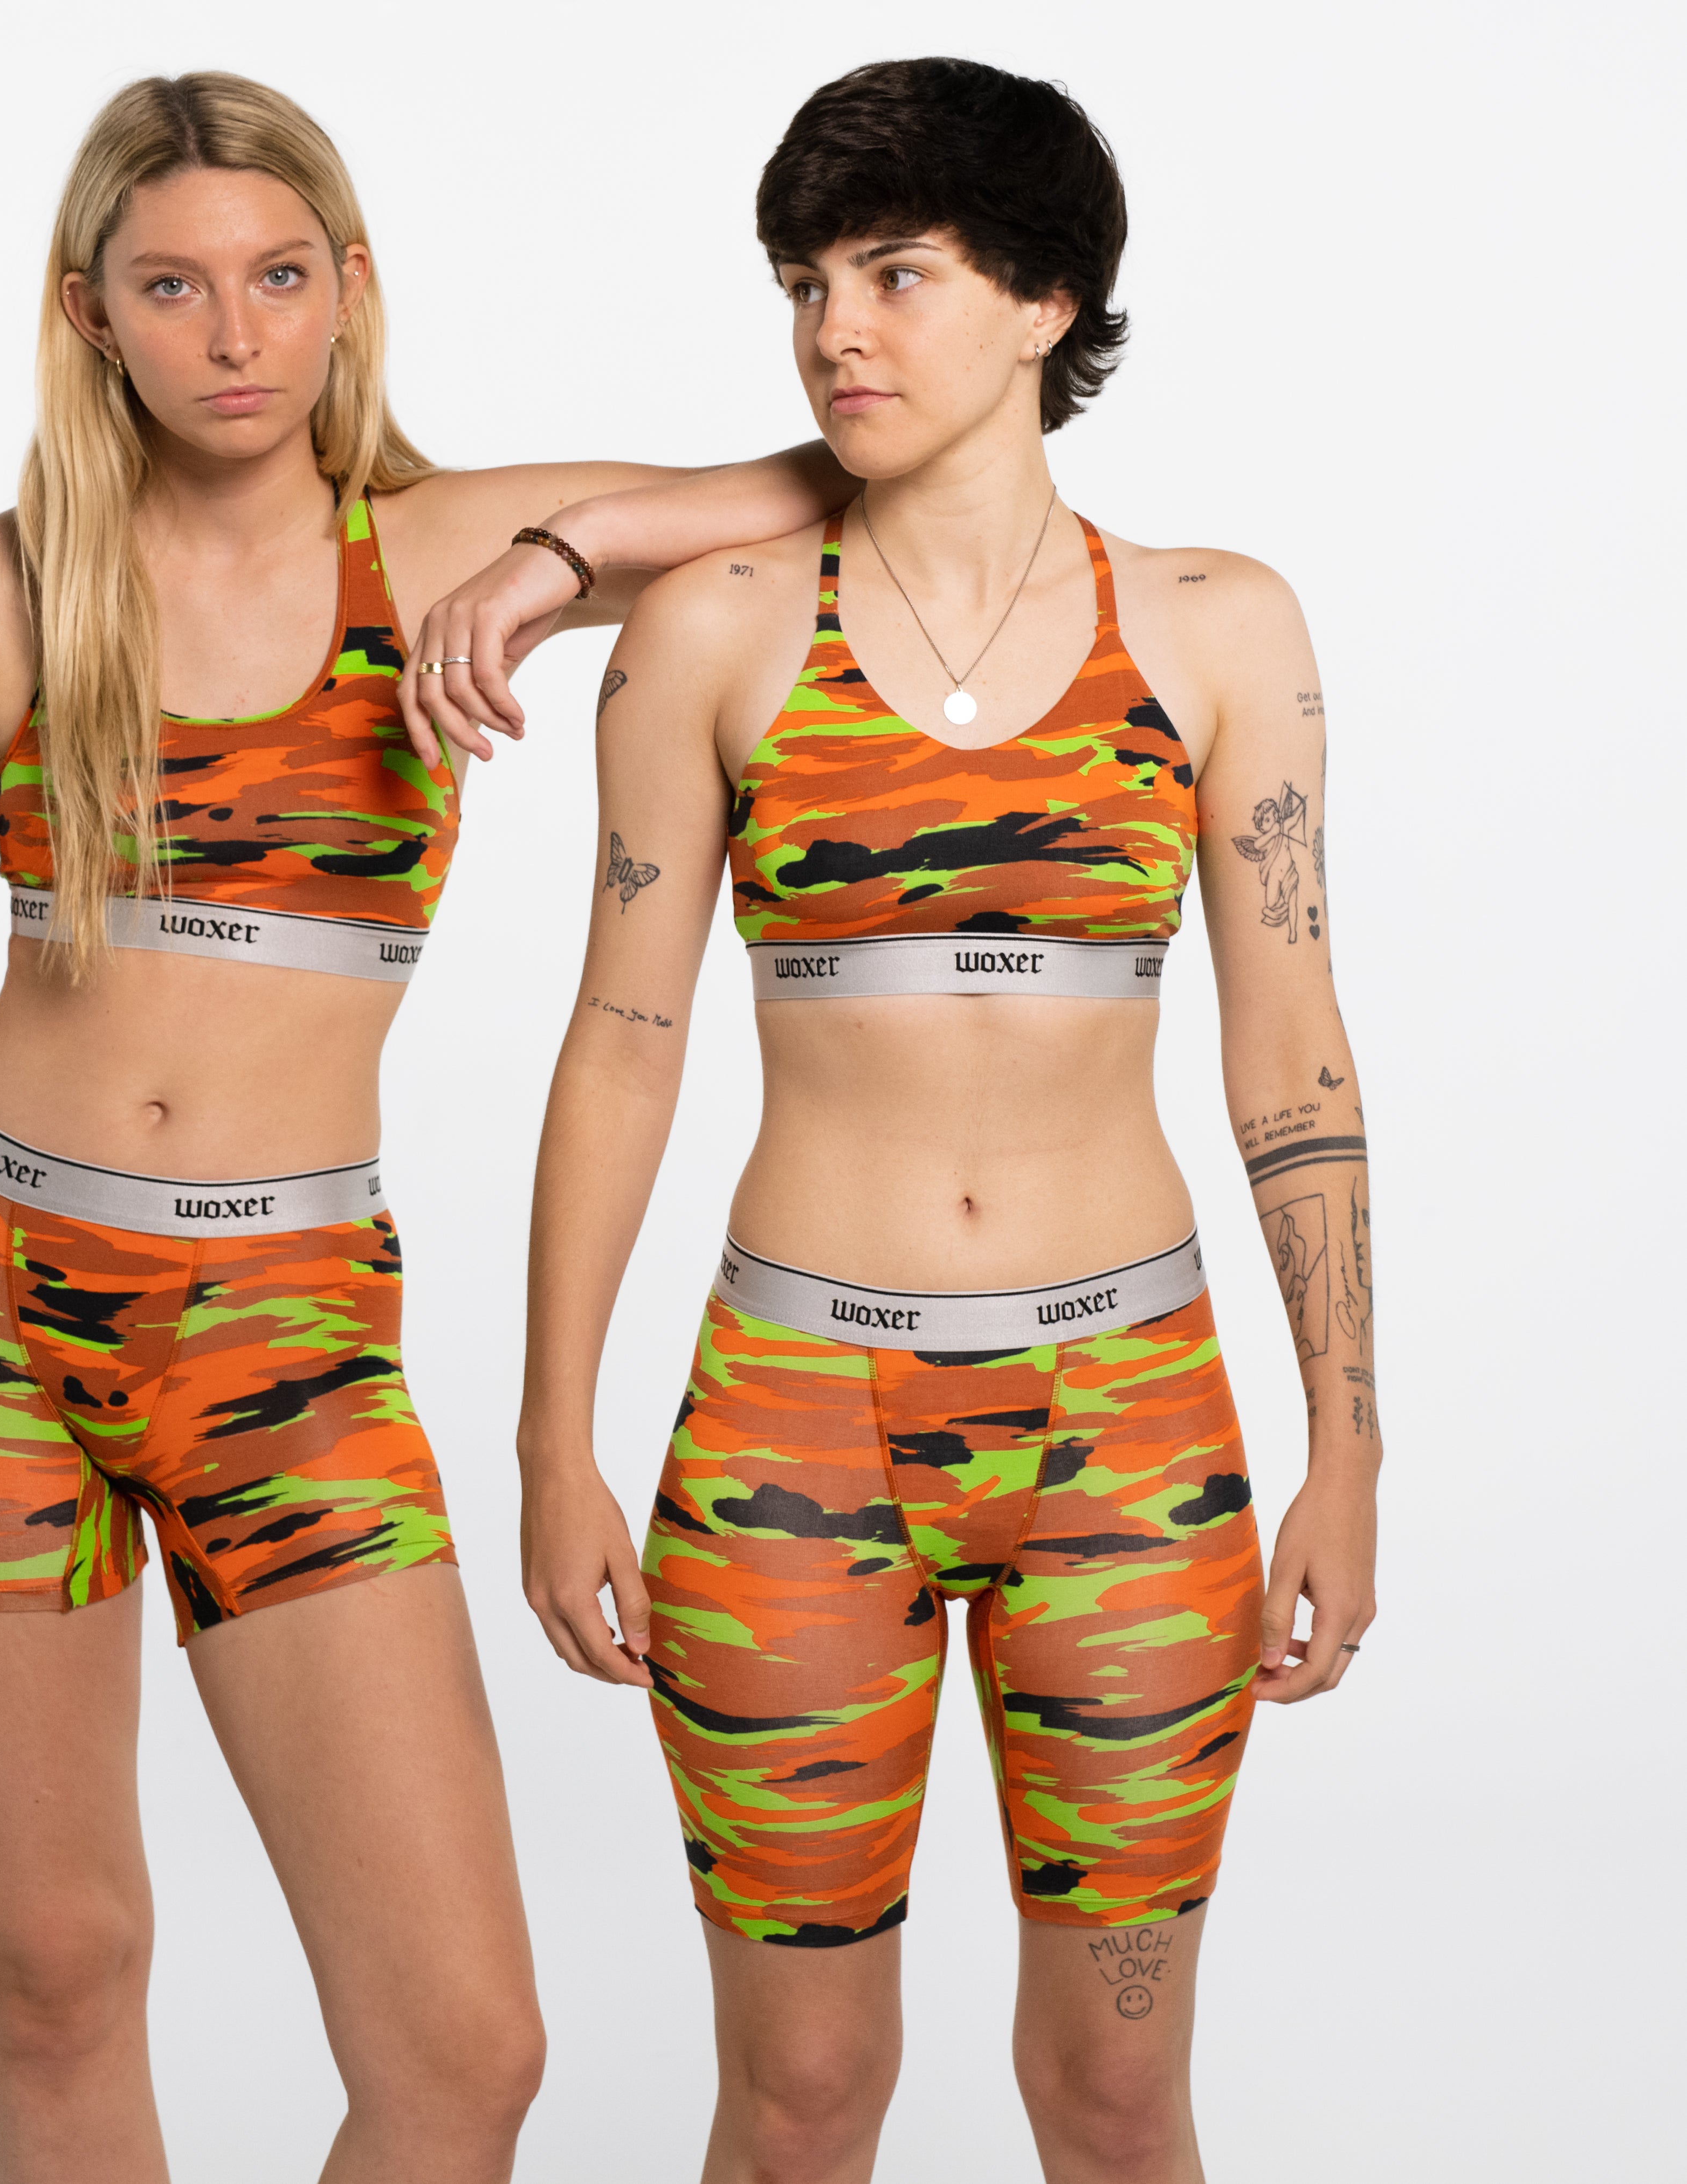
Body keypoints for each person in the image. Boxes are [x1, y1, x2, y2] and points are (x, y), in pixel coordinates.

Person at [0, 71, 849, 2184]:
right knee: (56, 1970)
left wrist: (551, 560)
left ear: (348, 288)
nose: (233, 334)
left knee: (463, 2051)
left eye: (275, 277)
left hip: (285, 1329)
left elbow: (829, 483)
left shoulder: (433, 548)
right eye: (171, 286)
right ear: (90, 313)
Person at [515, 57, 1379, 2184]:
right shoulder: (712, 633)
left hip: (1129, 1428)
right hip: (793, 1418)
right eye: (804, 284)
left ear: (1042, 299)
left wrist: (1346, 1442)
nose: (833, 329)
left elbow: (1290, 1054)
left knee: (1113, 2095)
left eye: (892, 274)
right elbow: (618, 1042)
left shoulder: (1215, 626)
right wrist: (550, 1438)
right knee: (800, 2099)